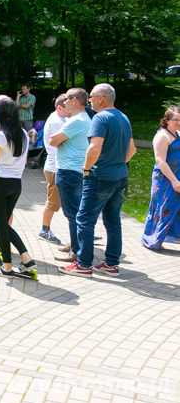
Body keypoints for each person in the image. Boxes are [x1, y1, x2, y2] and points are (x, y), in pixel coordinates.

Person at [61, 84, 136, 276]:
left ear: (101, 98)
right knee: (113, 221)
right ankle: (111, 264)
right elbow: (132, 150)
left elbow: (94, 148)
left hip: (99, 176)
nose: (89, 100)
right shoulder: (123, 117)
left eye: (92, 96)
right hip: (119, 176)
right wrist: (117, 163)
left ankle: (84, 265)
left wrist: (86, 169)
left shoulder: (100, 118)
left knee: (84, 219)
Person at [0, 96, 37, 277]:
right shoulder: (22, 133)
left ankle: (7, 267)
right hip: (16, 184)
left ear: (1, 112)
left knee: (1, 225)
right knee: (3, 224)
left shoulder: (0, 135)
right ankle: (27, 259)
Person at [50, 88, 91, 264]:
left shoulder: (77, 121)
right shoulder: (82, 119)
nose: (63, 102)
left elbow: (53, 140)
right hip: (76, 170)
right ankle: (75, 244)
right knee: (76, 211)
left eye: (66, 99)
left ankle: (76, 251)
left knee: (72, 213)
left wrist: (59, 140)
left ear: (74, 100)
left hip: (69, 172)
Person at [143, 106, 180, 249]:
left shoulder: (176, 134)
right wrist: (174, 180)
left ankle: (169, 236)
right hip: (165, 179)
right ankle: (151, 240)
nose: (178, 122)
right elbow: (160, 161)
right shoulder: (162, 136)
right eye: (175, 120)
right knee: (161, 208)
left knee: (173, 209)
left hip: (176, 176)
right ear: (166, 120)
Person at [40, 95, 71, 245]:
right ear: (60, 107)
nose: (70, 109)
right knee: (53, 201)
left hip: (57, 166)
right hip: (55, 168)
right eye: (68, 106)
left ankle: (81, 229)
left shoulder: (60, 118)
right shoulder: (56, 121)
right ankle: (44, 230)